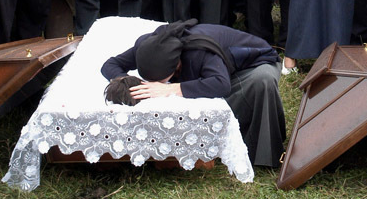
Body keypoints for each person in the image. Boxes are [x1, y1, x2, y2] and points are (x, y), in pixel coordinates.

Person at [101, 19, 286, 167]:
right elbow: (109, 65)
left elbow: (221, 85)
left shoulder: (198, 52)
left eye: (160, 80)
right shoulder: (147, 47)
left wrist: (171, 88)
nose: (155, 84)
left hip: (254, 65)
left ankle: (260, 153)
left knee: (261, 81)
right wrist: (133, 84)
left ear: (177, 65)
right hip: (220, 70)